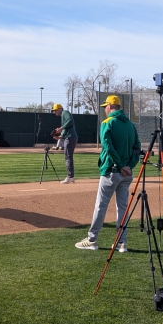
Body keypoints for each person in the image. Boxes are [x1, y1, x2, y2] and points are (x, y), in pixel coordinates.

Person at [75, 95, 141, 252]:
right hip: (127, 173)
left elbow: (107, 146)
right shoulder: (131, 125)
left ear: (111, 106)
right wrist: (129, 166)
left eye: (106, 106)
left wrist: (119, 166)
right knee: (122, 208)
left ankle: (92, 240)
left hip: (112, 171)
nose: (104, 109)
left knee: (101, 206)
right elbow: (137, 148)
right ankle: (122, 242)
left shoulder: (107, 123)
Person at [51, 103, 78, 183]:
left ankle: (70, 177)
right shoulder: (63, 115)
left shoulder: (65, 112)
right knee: (68, 156)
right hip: (69, 137)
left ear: (60, 109)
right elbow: (67, 128)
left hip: (70, 138)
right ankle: (71, 176)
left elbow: (70, 120)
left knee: (68, 157)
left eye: (55, 110)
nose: (54, 112)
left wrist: (61, 128)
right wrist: (59, 137)